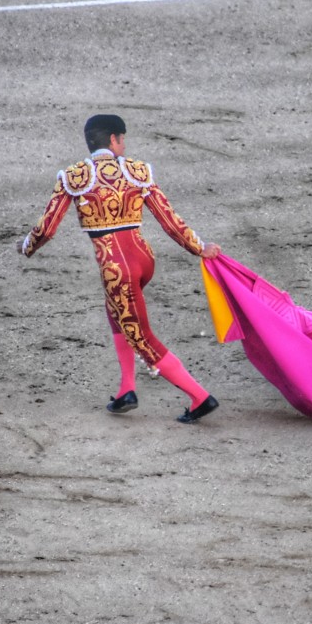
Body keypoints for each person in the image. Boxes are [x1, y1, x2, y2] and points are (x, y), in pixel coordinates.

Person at [20, 114, 221, 424]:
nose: (124, 145)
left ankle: (199, 397)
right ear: (113, 140)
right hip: (144, 260)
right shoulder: (138, 171)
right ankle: (127, 388)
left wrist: (26, 246)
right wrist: (199, 246)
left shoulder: (73, 177)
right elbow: (169, 219)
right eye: (122, 139)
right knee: (116, 312)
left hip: (116, 269)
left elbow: (47, 229)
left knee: (141, 336)